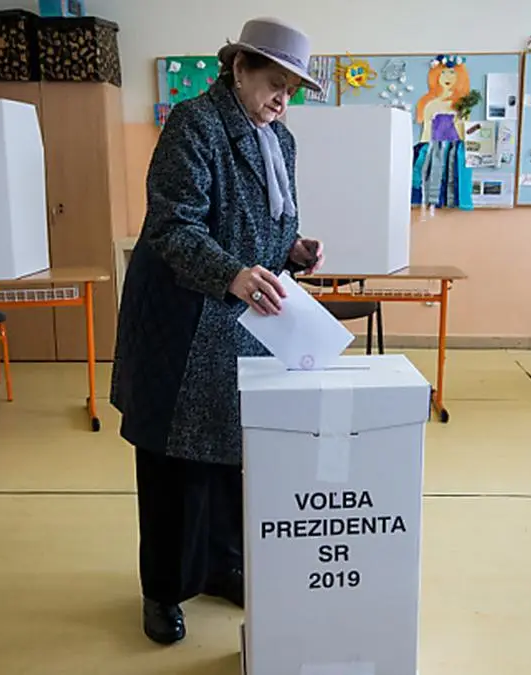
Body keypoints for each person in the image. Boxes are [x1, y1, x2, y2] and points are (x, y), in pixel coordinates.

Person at [109, 17, 324, 646]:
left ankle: (223, 565)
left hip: (239, 321)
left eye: (292, 89)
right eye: (274, 83)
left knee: (234, 456)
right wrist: (233, 273)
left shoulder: (279, 140)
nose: (283, 99)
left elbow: (269, 226)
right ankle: (163, 590)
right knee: (173, 464)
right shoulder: (195, 124)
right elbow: (173, 226)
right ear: (239, 69)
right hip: (180, 319)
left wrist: (294, 250)